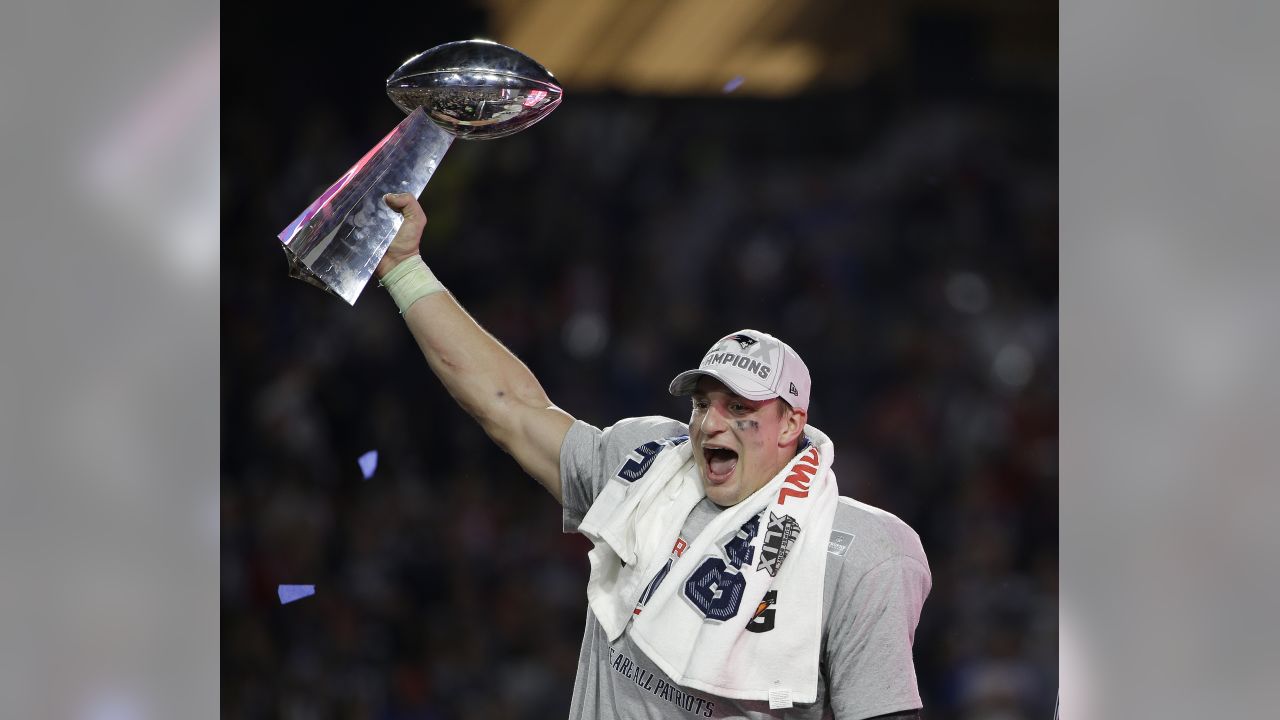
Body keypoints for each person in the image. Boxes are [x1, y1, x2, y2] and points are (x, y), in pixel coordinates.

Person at [375, 192, 932, 719]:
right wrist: (403, 267)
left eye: (738, 407)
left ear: (792, 423)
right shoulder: (643, 469)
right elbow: (510, 408)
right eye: (701, 403)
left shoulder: (862, 555)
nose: (710, 423)